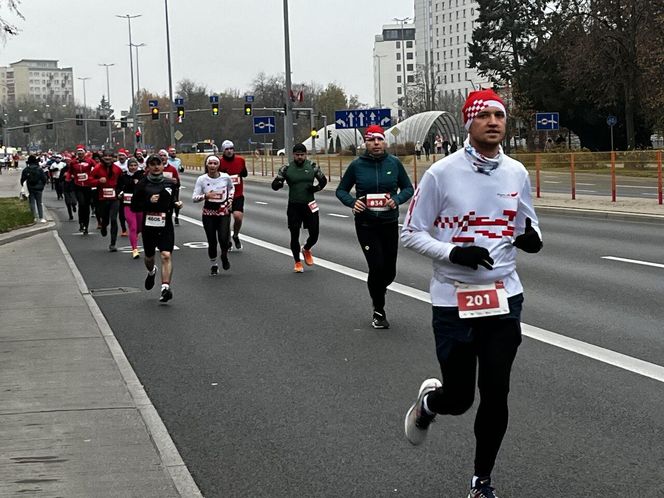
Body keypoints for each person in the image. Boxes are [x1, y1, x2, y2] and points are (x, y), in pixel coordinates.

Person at [400, 89, 543, 498]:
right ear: (468, 123)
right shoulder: (441, 174)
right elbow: (410, 232)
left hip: (504, 295)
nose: (494, 121)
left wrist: (531, 239)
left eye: (499, 115)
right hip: (452, 298)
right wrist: (453, 251)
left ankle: (481, 481)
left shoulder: (516, 172)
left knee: (496, 392)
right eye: (484, 115)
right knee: (461, 398)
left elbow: (525, 224)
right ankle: (430, 404)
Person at [335, 124, 414, 329]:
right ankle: (379, 310)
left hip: (389, 223)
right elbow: (341, 191)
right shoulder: (357, 165)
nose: (376, 143)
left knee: (389, 272)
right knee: (376, 267)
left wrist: (396, 199)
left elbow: (408, 188)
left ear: (384, 142)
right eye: (372, 140)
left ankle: (379, 288)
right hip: (366, 224)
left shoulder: (394, 163)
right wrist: (353, 203)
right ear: (366, 143)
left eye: (379, 139)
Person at [131, 154, 183, 303]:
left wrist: (176, 204)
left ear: (162, 165)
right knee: (149, 257)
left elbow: (172, 200)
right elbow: (134, 206)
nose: (155, 167)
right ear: (148, 167)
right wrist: (148, 200)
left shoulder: (170, 183)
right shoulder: (142, 184)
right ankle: (151, 271)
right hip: (149, 224)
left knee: (166, 255)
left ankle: (165, 288)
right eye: (152, 164)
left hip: (165, 223)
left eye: (158, 164)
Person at [271, 143, 327, 273]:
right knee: (294, 234)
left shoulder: (312, 167)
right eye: (297, 155)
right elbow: (274, 185)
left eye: (302, 155)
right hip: (294, 206)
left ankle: (307, 248)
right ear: (293, 155)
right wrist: (278, 184)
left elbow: (323, 181)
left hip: (310, 205)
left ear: (305, 155)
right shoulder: (286, 169)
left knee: (314, 234)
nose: (300, 157)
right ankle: (297, 262)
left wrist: (316, 188)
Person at [192, 154, 234, 275]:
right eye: (210, 163)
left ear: (219, 165)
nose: (212, 166)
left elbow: (231, 188)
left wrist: (230, 200)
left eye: (215, 163)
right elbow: (194, 198)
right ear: (206, 165)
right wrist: (205, 196)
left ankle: (224, 255)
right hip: (209, 213)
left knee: (223, 238)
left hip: (223, 211)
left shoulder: (225, 177)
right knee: (212, 241)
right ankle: (213, 264)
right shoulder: (202, 179)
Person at [89, 150, 123, 252]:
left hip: (114, 198)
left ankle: (113, 244)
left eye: (110, 156)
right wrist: (98, 181)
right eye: (105, 156)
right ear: (102, 158)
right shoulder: (97, 168)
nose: (108, 158)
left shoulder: (117, 169)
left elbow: (122, 182)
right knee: (105, 219)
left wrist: (120, 192)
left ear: (113, 158)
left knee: (113, 219)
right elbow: (89, 180)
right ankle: (103, 226)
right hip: (101, 199)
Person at [218, 140, 248, 250]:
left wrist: (238, 175)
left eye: (231, 148)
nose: (229, 151)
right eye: (227, 149)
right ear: (223, 151)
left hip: (238, 194)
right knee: (225, 221)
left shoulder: (240, 160)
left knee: (238, 217)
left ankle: (235, 235)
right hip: (223, 196)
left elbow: (244, 174)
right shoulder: (219, 162)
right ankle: (227, 240)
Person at [117, 157, 145, 259]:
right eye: (131, 166)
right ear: (128, 167)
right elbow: (119, 187)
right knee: (132, 226)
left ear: (137, 166)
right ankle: (134, 249)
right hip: (128, 204)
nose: (133, 167)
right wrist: (119, 194)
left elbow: (145, 188)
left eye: (134, 165)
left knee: (140, 227)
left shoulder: (142, 175)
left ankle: (136, 234)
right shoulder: (123, 176)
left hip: (140, 205)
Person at [69, 145, 95, 234]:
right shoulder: (73, 162)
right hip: (78, 186)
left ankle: (86, 226)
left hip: (87, 186)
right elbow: (70, 172)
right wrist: (69, 177)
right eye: (78, 153)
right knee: (81, 203)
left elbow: (97, 168)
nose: (80, 155)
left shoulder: (89, 161)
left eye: (81, 153)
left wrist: (94, 176)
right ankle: (81, 223)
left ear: (84, 153)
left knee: (87, 206)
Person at [20, 154, 48, 222]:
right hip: (39, 188)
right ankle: (41, 217)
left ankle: (34, 217)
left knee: (31, 202)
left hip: (30, 188)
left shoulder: (26, 170)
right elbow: (44, 179)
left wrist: (24, 187)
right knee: (39, 202)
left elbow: (22, 180)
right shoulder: (39, 169)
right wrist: (42, 185)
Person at [159, 149, 182, 225]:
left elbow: (177, 182)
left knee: (173, 207)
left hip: (170, 194)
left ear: (167, 157)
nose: (162, 157)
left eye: (164, 156)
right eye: (160, 156)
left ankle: (176, 217)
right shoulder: (154, 168)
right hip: (158, 193)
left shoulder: (172, 169)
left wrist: (175, 182)